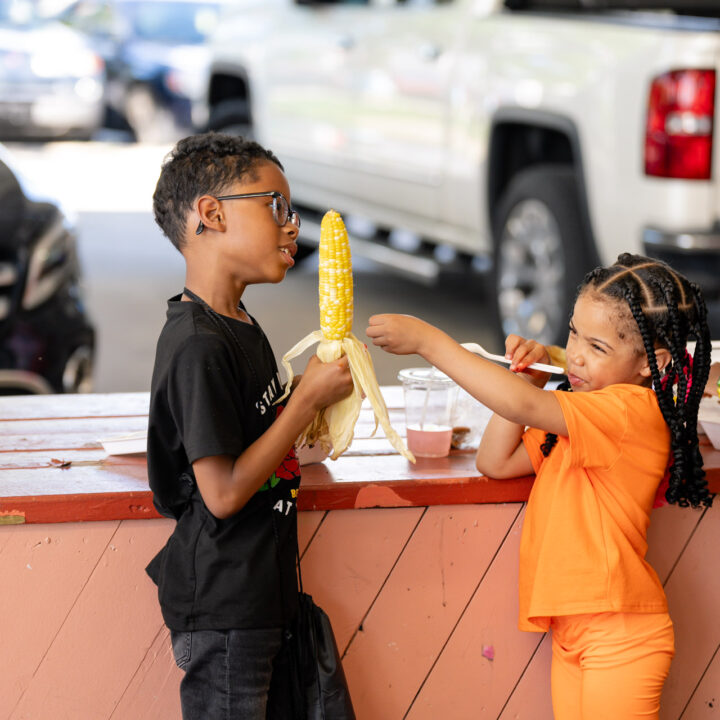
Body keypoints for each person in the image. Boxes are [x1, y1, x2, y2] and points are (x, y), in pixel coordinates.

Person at [366, 253, 712, 720]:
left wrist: (430, 342)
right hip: (575, 633)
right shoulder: (577, 418)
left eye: (598, 347)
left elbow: (524, 407)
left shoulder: (629, 411)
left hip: (620, 635)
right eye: (572, 333)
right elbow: (495, 461)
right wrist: (525, 378)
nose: (576, 355)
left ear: (654, 362)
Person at [145, 132, 353, 720]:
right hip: (225, 606)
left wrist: (315, 413)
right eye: (275, 207)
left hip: (263, 594)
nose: (292, 227)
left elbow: (260, 440)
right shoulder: (197, 344)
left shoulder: (239, 321)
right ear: (211, 214)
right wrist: (306, 401)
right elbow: (224, 491)